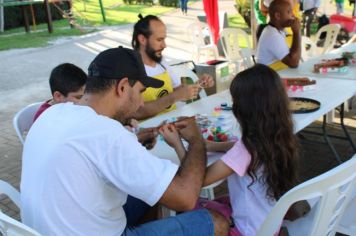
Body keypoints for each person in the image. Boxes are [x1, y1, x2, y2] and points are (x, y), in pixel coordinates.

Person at [21, 47, 229, 236]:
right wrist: (196, 141)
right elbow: (185, 197)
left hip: (45, 229)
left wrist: (134, 141)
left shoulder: (53, 113)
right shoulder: (107, 134)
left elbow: (90, 151)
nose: (141, 103)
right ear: (121, 87)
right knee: (215, 222)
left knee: (150, 194)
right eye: (139, 92)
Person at [161, 64, 300, 236]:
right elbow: (241, 149)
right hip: (269, 226)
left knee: (187, 206)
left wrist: (178, 144)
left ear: (244, 109)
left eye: (235, 101)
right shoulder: (278, 136)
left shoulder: (245, 150)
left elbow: (197, 181)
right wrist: (210, 146)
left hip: (245, 231)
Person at [131, 14, 214, 120]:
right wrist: (175, 96)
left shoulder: (161, 62)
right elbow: (137, 112)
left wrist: (200, 84)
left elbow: (181, 92)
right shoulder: (130, 68)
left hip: (173, 124)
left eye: (164, 39)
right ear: (142, 39)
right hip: (149, 130)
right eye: (159, 40)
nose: (164, 45)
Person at [256, 0, 301, 69]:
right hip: (268, 77)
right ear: (278, 16)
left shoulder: (278, 31)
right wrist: (296, 32)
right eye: (289, 12)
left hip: (277, 74)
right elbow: (294, 63)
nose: (293, 15)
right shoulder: (272, 35)